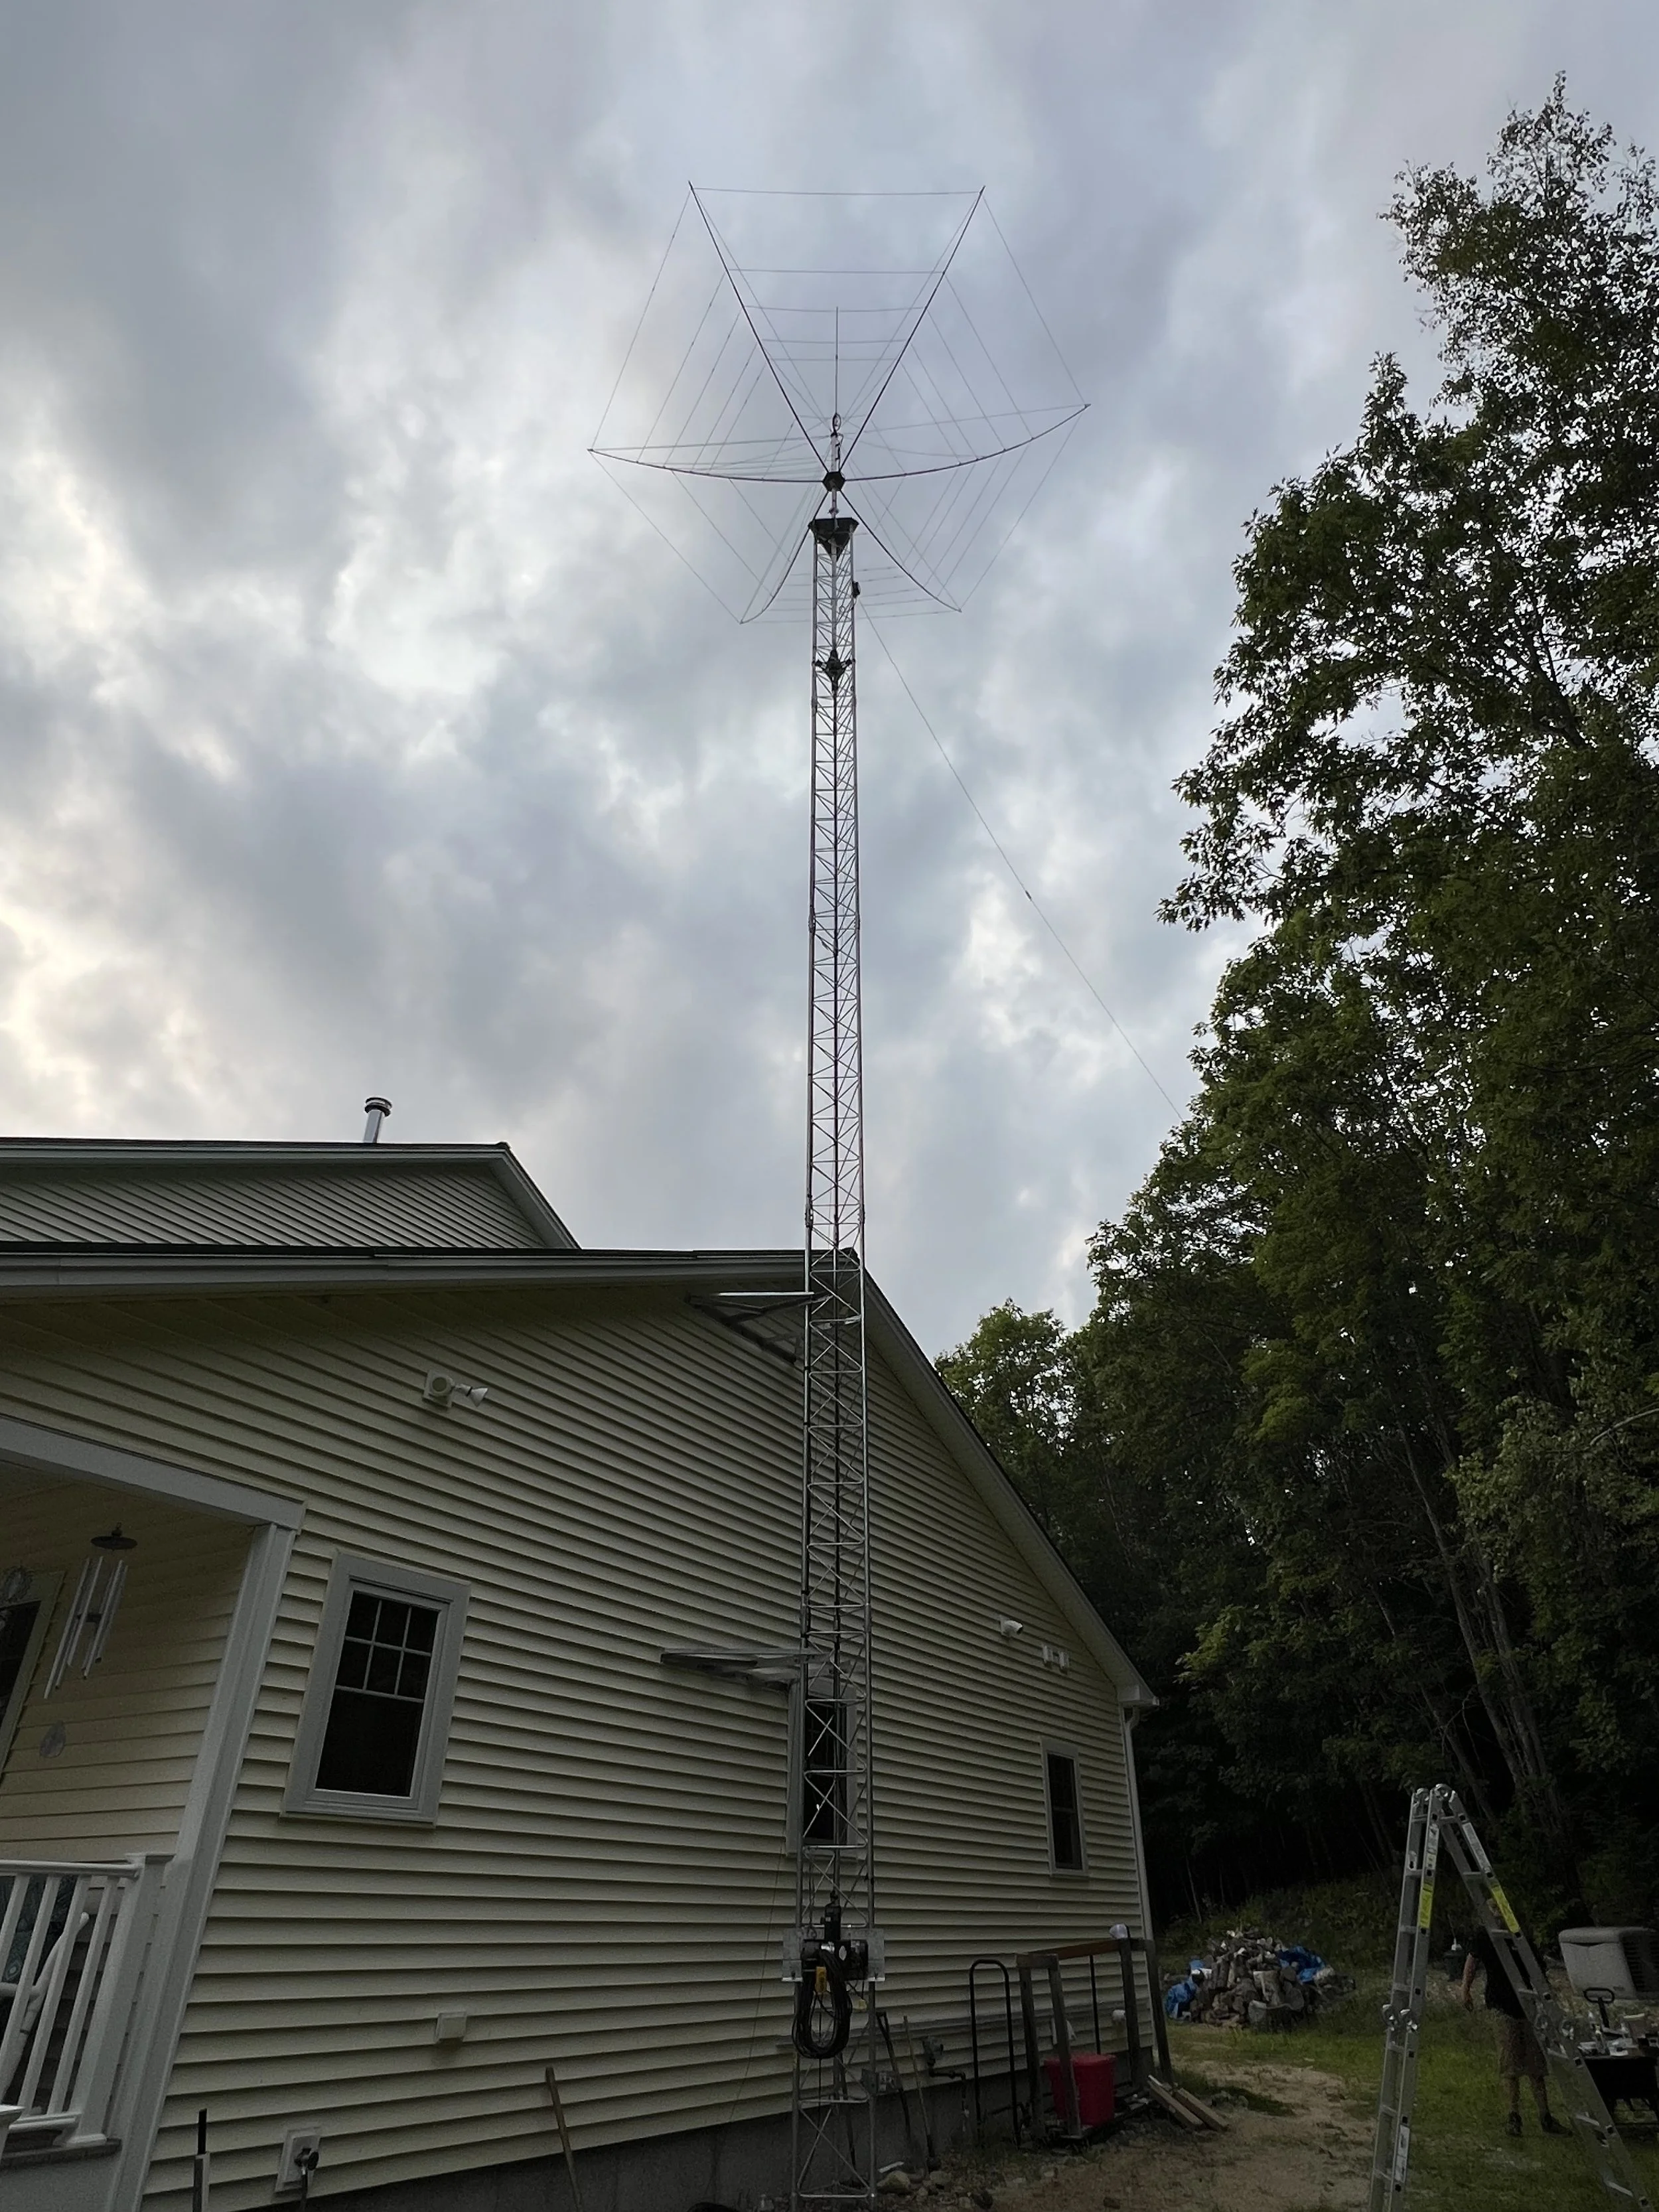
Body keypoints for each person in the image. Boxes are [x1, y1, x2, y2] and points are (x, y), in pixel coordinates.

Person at [1461, 1924, 1567, 2137]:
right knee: (1510, 2064)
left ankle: (1546, 2116)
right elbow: (1472, 1960)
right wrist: (1465, 1988)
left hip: (1527, 2007)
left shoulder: (1520, 1934)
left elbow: (1537, 1968)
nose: (1497, 1913)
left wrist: (1547, 1996)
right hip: (1502, 2005)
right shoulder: (1484, 1935)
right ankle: (1514, 2117)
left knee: (1536, 2065)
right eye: (1492, 1908)